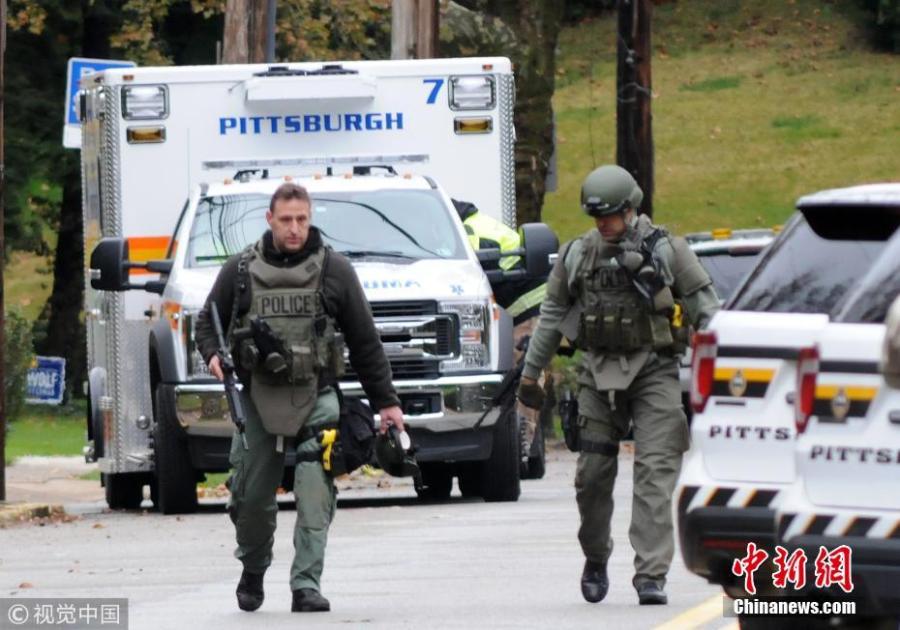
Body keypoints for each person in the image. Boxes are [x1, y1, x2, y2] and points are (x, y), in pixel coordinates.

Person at [194, 182, 404, 613]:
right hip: (257, 397)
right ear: (269, 220)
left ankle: (306, 584)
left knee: (314, 491)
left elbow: (365, 342)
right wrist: (214, 355)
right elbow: (206, 323)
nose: (295, 229)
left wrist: (388, 403)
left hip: (317, 394)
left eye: (302, 219)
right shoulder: (238, 271)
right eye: (286, 220)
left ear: (311, 219)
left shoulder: (334, 271)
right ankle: (253, 568)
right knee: (250, 497)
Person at [515, 165, 719, 605]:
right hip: (596, 373)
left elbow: (708, 309)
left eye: (609, 216)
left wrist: (730, 366)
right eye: (596, 218)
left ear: (630, 209)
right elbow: (551, 316)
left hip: (655, 371)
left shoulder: (667, 251)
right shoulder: (578, 255)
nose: (603, 225)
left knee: (655, 472)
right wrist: (530, 375)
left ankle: (651, 574)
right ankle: (595, 554)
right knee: (592, 477)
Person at [452, 199, 547, 463]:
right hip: (516, 302)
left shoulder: (467, 233)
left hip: (531, 305)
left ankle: (525, 445)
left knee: (526, 372)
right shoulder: (470, 223)